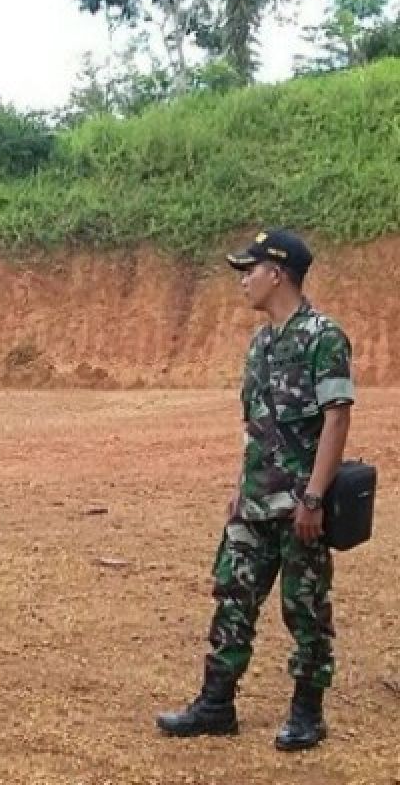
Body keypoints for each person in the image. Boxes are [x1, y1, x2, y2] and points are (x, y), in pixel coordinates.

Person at [156, 230, 354, 752]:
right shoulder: (261, 342)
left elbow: (337, 420)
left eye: (251, 271)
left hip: (299, 505)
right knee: (232, 598)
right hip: (254, 500)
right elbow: (253, 424)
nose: (243, 281)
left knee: (305, 608)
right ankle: (216, 704)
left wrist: (314, 497)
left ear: (279, 273)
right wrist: (238, 487)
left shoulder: (323, 336)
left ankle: (307, 713)